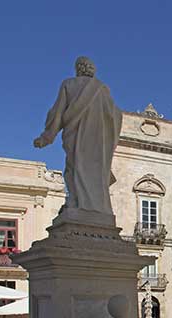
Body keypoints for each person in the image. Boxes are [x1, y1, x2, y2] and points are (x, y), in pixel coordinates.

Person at [34, 56, 122, 216]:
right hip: (97, 141)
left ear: (78, 69)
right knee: (94, 173)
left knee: (74, 169)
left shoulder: (69, 84)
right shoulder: (102, 89)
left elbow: (58, 113)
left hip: (76, 137)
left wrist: (46, 137)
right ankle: (94, 208)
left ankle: (76, 202)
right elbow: (114, 115)